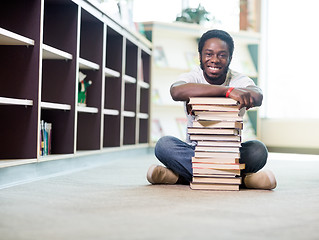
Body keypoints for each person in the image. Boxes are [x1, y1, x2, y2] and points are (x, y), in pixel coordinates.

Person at [147, 29, 277, 190]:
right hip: (196, 151)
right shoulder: (193, 76)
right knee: (163, 145)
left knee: (258, 150)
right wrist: (227, 91)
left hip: (230, 152)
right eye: (208, 54)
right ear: (200, 55)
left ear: (230, 58)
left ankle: (180, 177)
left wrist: (242, 92)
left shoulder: (238, 78)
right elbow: (176, 91)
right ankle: (242, 179)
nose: (214, 60)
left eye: (222, 55)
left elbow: (257, 96)